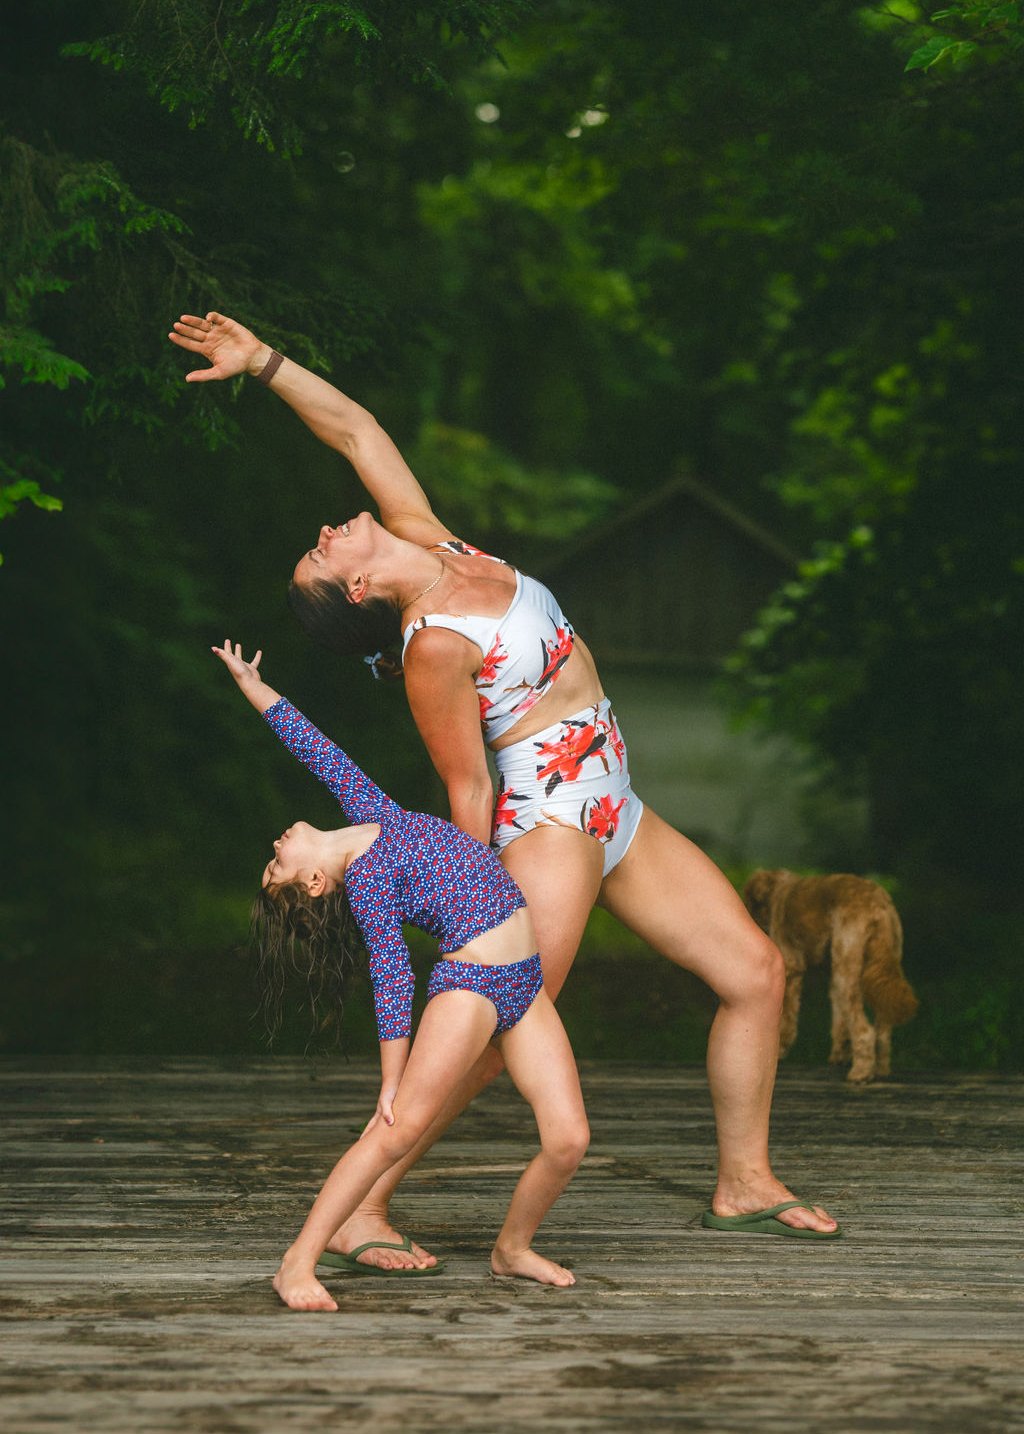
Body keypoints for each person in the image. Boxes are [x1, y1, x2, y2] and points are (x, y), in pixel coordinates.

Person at [171, 312, 841, 1261]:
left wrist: (263, 363)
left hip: (615, 804)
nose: (327, 530)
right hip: (550, 824)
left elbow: (358, 431)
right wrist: (475, 904)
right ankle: (366, 1203)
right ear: (356, 594)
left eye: (319, 540)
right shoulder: (431, 647)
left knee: (756, 974)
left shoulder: (433, 544)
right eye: (323, 554)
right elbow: (465, 786)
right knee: (496, 1021)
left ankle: (744, 1183)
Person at [211, 639, 590, 1308]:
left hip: (524, 987)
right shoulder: (368, 884)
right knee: (400, 1129)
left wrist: (250, 683)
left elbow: (314, 746)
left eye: (271, 858)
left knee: (568, 1139)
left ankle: (512, 1249)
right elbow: (391, 978)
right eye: (277, 868)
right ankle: (297, 1263)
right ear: (318, 882)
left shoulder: (373, 813)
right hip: (472, 987)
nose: (274, 847)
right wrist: (392, 1078)